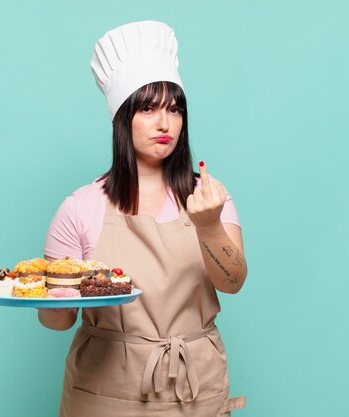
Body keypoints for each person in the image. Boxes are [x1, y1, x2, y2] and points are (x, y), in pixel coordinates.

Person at [39, 21, 247, 417]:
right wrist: (50, 291)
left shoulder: (208, 198)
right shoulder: (80, 206)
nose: (164, 123)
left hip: (193, 386)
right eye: (148, 108)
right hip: (103, 393)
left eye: (174, 109)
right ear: (123, 118)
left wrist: (208, 224)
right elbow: (57, 322)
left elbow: (233, 282)